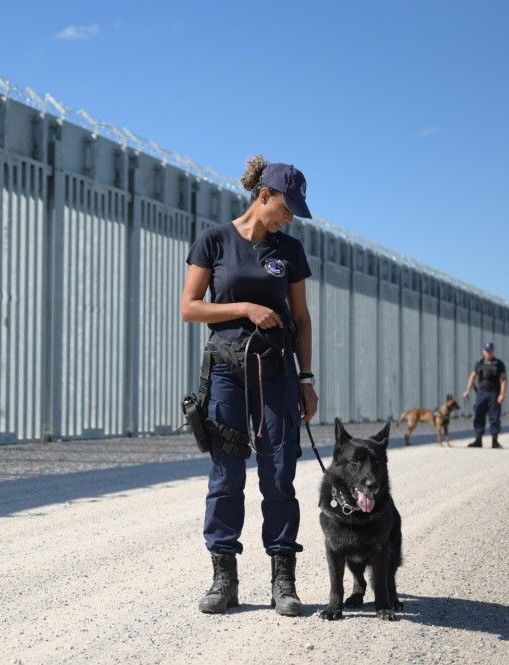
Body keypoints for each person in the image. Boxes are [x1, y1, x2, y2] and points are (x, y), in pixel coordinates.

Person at [179, 155, 319, 616]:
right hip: (225, 370)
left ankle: (283, 580)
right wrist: (244, 309)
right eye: (285, 207)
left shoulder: (290, 251)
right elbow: (191, 308)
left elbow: (300, 318)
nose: (288, 217)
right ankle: (224, 578)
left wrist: (306, 377)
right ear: (264, 196)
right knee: (227, 470)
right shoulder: (214, 241)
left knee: (279, 470)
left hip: (276, 368)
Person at [461, 342, 507, 448]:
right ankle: (478, 440)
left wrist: (502, 394)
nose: (488, 353)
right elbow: (472, 376)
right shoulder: (479, 363)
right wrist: (467, 390)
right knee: (478, 415)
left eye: (490, 351)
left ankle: (494, 441)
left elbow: (503, 379)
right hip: (481, 393)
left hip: (494, 394)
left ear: (493, 351)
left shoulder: (499, 363)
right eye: (486, 351)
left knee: (494, 417)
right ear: (483, 351)